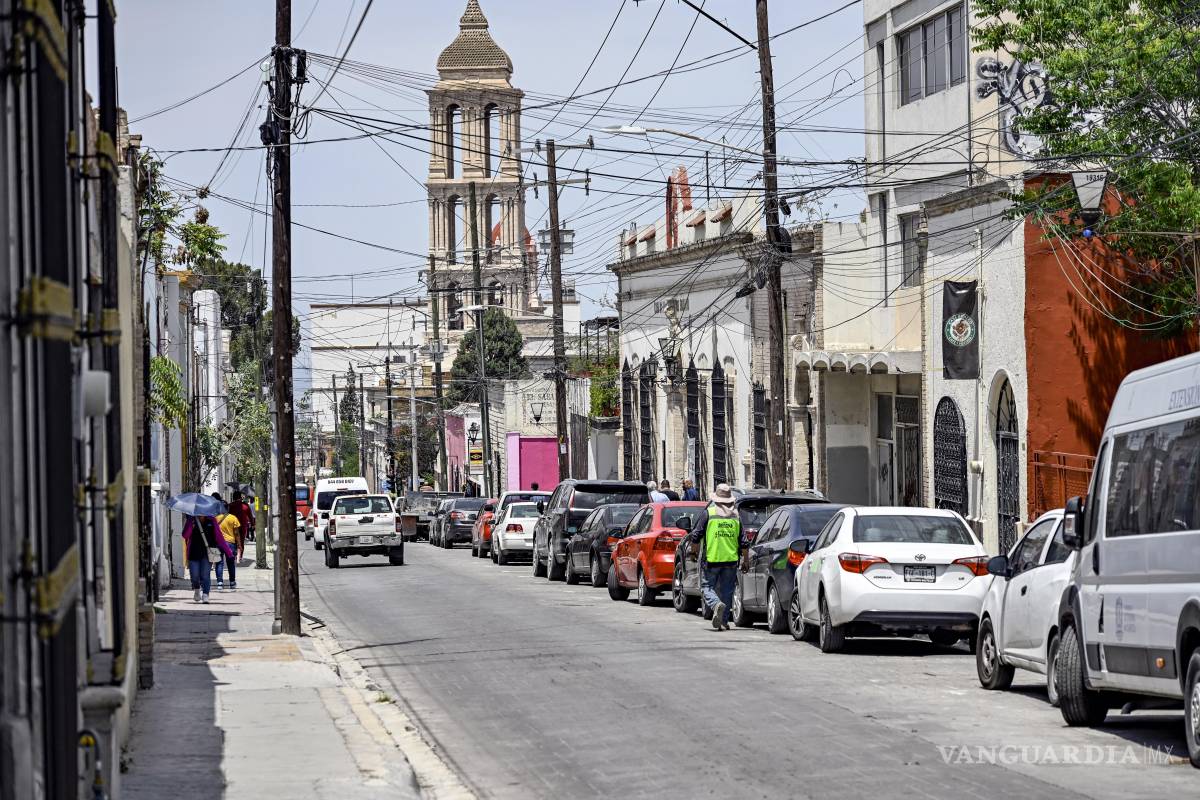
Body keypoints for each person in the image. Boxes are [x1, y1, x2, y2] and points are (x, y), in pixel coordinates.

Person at [686, 483, 741, 630]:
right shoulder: (736, 516)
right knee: (728, 590)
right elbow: (744, 542)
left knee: (706, 587)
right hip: (731, 559)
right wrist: (746, 560)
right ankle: (723, 621)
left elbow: (696, 536)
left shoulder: (708, 513)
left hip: (712, 559)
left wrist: (693, 552)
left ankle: (716, 605)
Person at [183, 514, 231, 603]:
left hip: (207, 553)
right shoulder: (192, 520)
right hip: (194, 552)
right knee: (194, 576)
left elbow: (219, 537)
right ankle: (197, 590)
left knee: (205, 575)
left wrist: (228, 552)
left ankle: (205, 594)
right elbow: (185, 535)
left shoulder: (211, 521)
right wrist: (191, 525)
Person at [213, 508, 241, 590]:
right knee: (231, 563)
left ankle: (219, 582)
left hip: (218, 543)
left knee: (219, 563)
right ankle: (232, 582)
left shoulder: (215, 518)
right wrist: (239, 544)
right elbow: (236, 533)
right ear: (228, 508)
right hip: (230, 543)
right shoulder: (233, 518)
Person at [228, 491, 254, 558]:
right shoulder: (245, 505)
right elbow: (250, 516)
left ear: (233, 497)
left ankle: (234, 555)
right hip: (243, 526)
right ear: (240, 497)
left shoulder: (230, 505)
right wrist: (253, 524)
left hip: (232, 526)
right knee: (241, 541)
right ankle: (240, 556)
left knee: (233, 540)